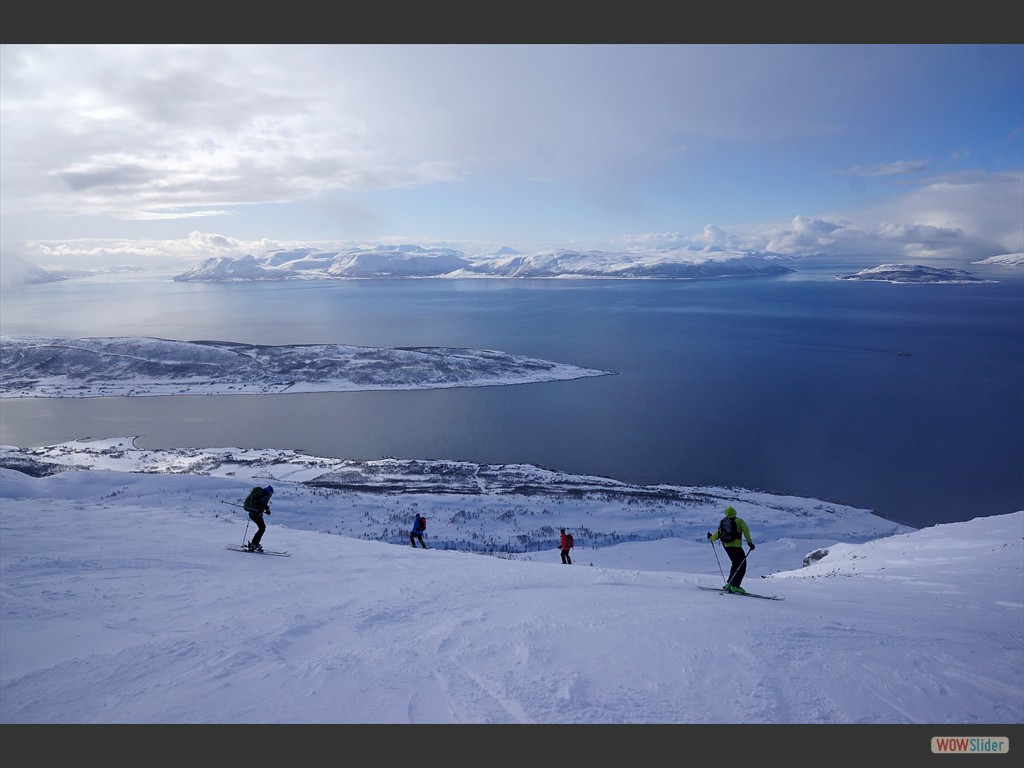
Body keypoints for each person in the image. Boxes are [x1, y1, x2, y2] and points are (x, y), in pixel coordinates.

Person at [707, 506, 755, 593]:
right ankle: (735, 586)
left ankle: (729, 584)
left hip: (726, 546)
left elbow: (716, 535)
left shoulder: (723, 522)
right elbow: (746, 530)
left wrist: (710, 537)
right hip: (736, 546)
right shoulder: (739, 521)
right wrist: (749, 543)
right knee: (742, 565)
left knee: (735, 564)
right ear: (735, 512)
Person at [243, 485, 274, 552]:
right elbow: (262, 504)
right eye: (271, 493)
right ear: (269, 492)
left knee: (262, 528)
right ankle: (254, 543)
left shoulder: (262, 494)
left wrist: (267, 510)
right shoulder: (265, 496)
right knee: (262, 528)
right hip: (255, 515)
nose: (271, 495)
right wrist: (266, 510)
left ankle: (255, 543)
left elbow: (262, 504)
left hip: (253, 514)